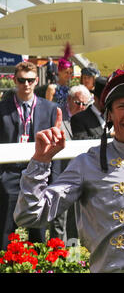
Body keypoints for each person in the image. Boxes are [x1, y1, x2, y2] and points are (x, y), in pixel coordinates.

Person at [14, 69, 124, 273]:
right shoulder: (87, 164)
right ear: (109, 114)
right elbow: (29, 215)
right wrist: (41, 161)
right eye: (122, 106)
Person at [0, 61, 59, 250]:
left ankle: (40, 267)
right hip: (9, 174)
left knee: (38, 231)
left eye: (30, 80)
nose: (26, 84)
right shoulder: (3, 107)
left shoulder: (49, 108)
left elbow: (56, 145)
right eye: (22, 80)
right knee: (5, 230)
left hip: (38, 174)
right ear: (15, 80)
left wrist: (54, 179)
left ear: (36, 81)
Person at [48, 84, 91, 242]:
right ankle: (56, 258)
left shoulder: (88, 121)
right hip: (59, 175)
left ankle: (73, 260)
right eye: (77, 102)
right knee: (58, 220)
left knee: (75, 221)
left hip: (80, 178)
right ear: (69, 100)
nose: (81, 107)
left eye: (84, 104)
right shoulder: (57, 116)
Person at [45, 43, 73, 107]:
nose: (69, 75)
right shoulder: (52, 88)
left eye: (70, 73)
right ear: (59, 71)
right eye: (66, 72)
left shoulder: (70, 89)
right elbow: (47, 109)